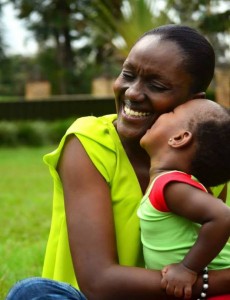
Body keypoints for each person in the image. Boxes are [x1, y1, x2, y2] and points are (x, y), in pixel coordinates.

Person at [6, 24, 230, 300]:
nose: (133, 93)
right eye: (128, 74)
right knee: (33, 293)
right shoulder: (90, 140)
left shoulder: (207, 163)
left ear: (193, 104)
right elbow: (99, 283)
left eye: (156, 86)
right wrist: (213, 284)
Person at [137, 99, 230, 300]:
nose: (160, 115)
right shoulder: (176, 185)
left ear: (179, 137)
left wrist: (187, 268)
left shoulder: (171, 185)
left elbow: (223, 216)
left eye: (171, 112)